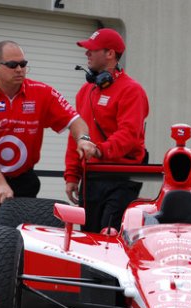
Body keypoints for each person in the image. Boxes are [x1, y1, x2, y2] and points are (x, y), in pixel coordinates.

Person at [0, 40, 96, 235]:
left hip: (22, 180)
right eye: (13, 65)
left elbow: (75, 121)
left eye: (23, 64)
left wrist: (83, 138)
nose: (20, 69)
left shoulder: (43, 93)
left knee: (21, 245)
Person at [64, 28, 149, 233]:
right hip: (91, 177)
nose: (87, 54)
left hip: (122, 178)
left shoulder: (132, 90)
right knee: (89, 238)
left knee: (110, 237)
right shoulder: (85, 91)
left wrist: (99, 150)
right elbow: (75, 135)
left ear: (110, 54)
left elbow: (128, 134)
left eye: (92, 50)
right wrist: (72, 176)